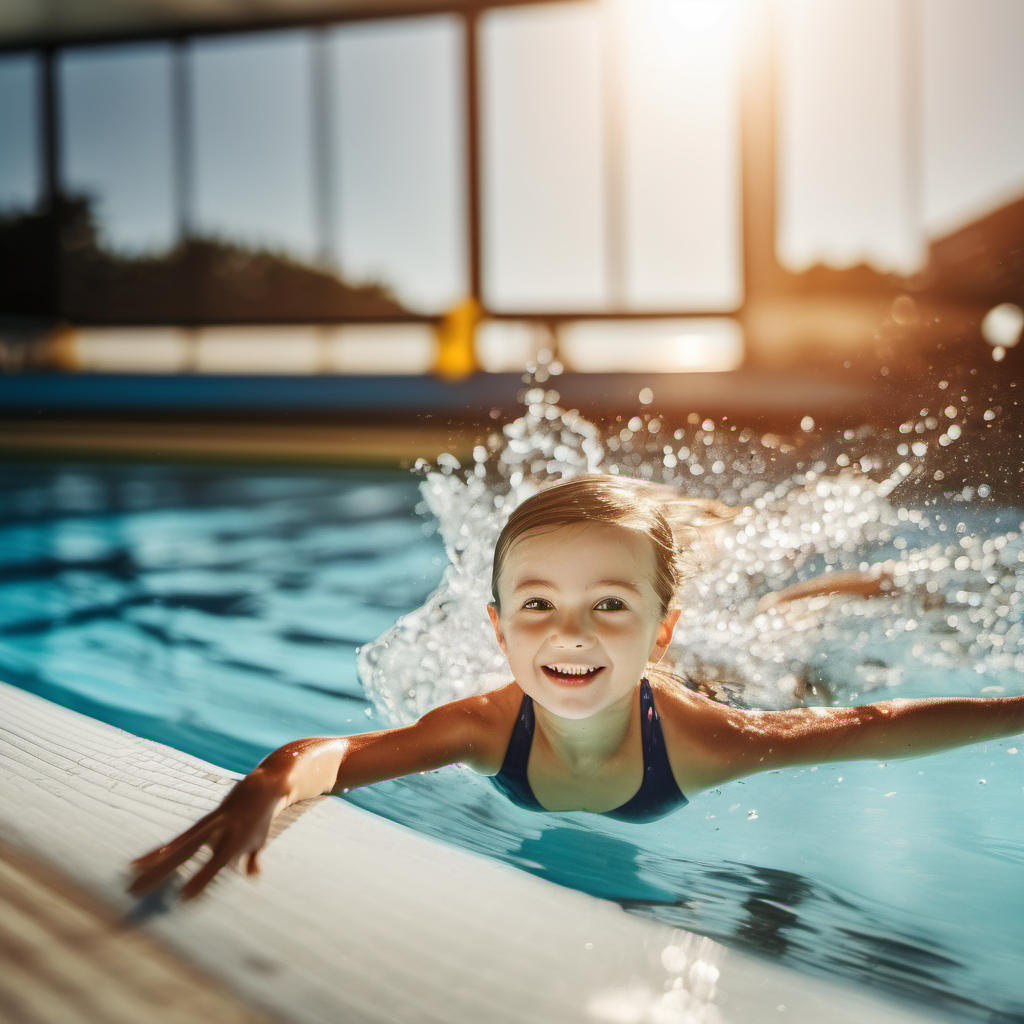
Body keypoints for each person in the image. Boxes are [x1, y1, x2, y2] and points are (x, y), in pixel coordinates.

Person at [129, 474, 1024, 900]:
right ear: (498, 628)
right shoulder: (485, 726)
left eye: (607, 604)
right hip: (642, 675)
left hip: (703, 684)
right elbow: (336, 755)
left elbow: (867, 723)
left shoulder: (706, 741)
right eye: (537, 606)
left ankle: (830, 590)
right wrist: (269, 784)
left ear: (657, 629)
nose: (568, 635)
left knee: (791, 656)